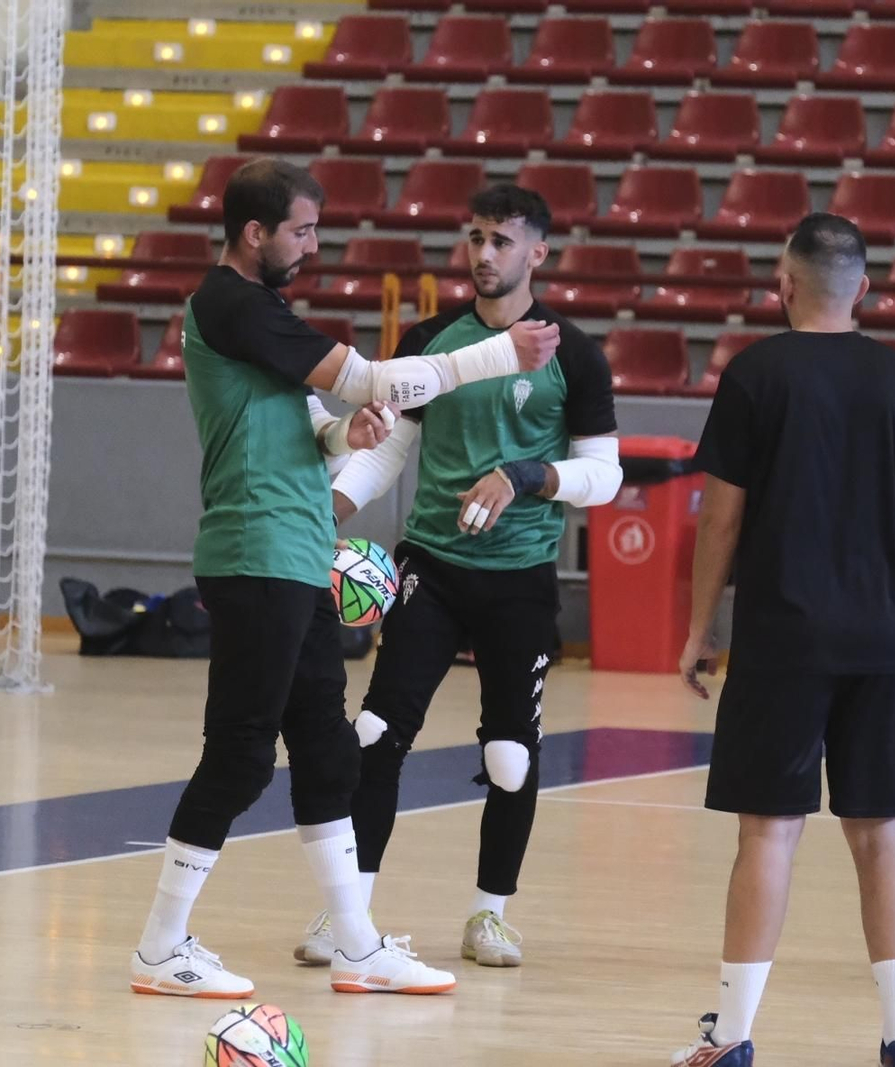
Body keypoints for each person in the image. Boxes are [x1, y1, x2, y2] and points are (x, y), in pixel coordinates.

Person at [128, 158, 560, 999]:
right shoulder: (230, 303)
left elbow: (309, 421)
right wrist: (496, 353)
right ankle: (159, 945)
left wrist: (344, 437)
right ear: (256, 234)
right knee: (243, 755)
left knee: (327, 752)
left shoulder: (265, 312)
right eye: (302, 229)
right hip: (254, 547)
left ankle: (356, 943)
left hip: (293, 551)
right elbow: (374, 377)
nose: (313, 244)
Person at [292, 184, 621, 970]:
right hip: (429, 569)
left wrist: (527, 475)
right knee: (375, 733)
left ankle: (491, 915)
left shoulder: (572, 353)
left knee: (510, 752)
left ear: (538, 252)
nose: (483, 254)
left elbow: (603, 475)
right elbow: (390, 449)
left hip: (519, 578)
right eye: (475, 236)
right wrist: (328, 509)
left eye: (502, 240)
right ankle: (351, 915)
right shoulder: (432, 338)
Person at [672, 213, 895, 1067]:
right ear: (862, 288)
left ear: (782, 286)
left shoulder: (753, 372)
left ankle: (735, 1036)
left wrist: (698, 629)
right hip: (882, 640)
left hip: (781, 636)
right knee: (883, 834)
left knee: (769, 832)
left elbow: (720, 517)